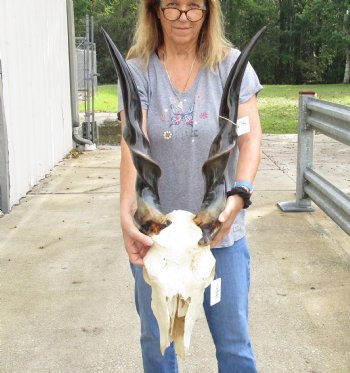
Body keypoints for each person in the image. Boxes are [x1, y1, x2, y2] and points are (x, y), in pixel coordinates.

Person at [118, 0, 263, 371]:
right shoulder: (139, 71)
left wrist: (239, 195)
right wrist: (127, 216)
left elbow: (249, 140)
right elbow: (133, 143)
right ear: (154, 11)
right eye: (172, 7)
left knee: (234, 345)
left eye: (193, 7)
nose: (183, 17)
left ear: (208, 12)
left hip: (219, 237)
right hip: (157, 239)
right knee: (159, 344)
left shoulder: (231, 66)